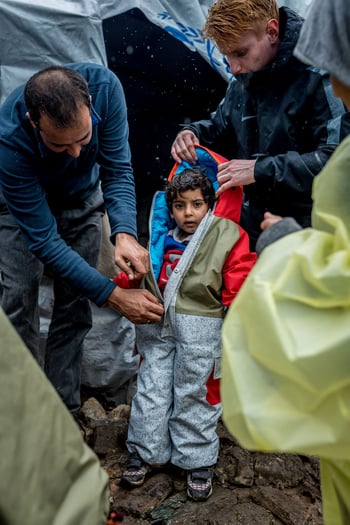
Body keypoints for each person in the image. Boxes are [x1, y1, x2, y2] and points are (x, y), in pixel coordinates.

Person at [220, 0, 350, 523]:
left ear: (272, 33)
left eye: (343, 75)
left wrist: (287, 241)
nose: (338, 90)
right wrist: (195, 133)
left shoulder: (313, 81)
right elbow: (224, 120)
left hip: (293, 219)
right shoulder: (249, 78)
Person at [0, 63, 164, 412]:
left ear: (89, 105)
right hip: (20, 210)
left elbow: (117, 169)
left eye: (83, 139)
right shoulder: (8, 141)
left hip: (82, 199)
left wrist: (124, 233)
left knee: (75, 304)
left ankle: (64, 411)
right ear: (34, 122)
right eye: (60, 145)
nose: (76, 153)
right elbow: (44, 242)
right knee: (18, 294)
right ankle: (23, 412)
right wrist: (113, 295)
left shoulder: (106, 88)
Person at [114, 147, 257, 501]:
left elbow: (239, 276)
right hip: (158, 325)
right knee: (152, 387)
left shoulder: (227, 236)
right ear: (170, 207)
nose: (188, 213)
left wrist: (239, 315)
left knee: (197, 392)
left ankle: (196, 459)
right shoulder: (162, 238)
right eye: (180, 205)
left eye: (196, 204)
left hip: (201, 329)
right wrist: (128, 282)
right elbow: (147, 272)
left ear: (211, 203)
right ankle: (145, 451)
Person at [170, 0, 350, 250]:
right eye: (226, 56)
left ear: (272, 31)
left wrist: (259, 169)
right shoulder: (242, 78)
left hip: (312, 233)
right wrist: (192, 133)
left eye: (240, 53)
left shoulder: (320, 73)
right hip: (249, 229)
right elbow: (218, 127)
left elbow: (336, 161)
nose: (233, 68)